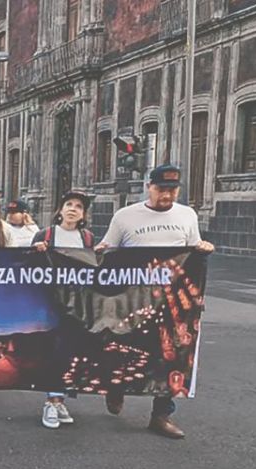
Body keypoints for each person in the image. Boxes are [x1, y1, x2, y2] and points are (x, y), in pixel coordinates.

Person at [96, 164, 215, 440]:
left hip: (172, 301)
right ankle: (116, 388)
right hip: (132, 299)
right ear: (149, 187)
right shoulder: (125, 217)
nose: (167, 195)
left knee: (171, 355)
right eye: (161, 189)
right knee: (123, 347)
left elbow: (192, 255)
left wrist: (204, 251)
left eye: (172, 190)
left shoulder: (187, 215)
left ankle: (162, 414)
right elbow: (106, 252)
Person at [32, 190, 95, 430]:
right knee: (55, 351)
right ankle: (51, 401)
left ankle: (58, 399)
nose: (72, 209)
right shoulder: (45, 235)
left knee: (70, 352)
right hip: (50, 304)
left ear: (83, 214)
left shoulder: (87, 238)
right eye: (68, 204)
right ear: (60, 210)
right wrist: (36, 251)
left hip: (77, 305)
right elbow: (28, 269)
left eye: (78, 206)